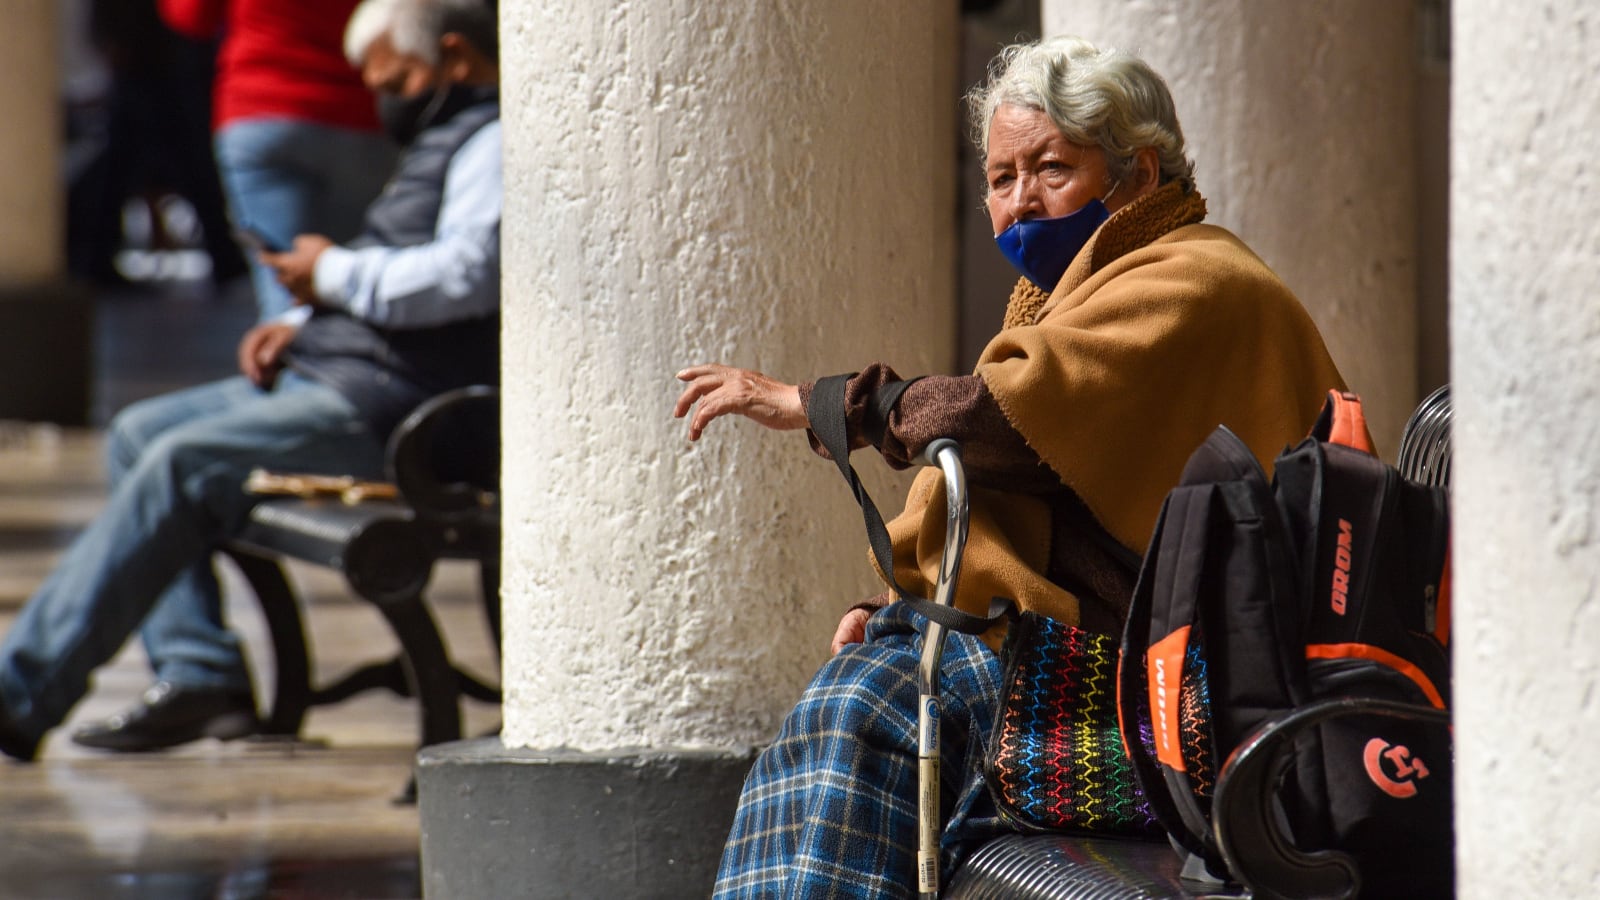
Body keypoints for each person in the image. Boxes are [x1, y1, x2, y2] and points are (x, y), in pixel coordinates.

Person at [673, 35, 1350, 898]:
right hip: (1076, 647)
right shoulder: (1080, 292)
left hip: (1164, 686)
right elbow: (1031, 498)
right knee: (859, 695)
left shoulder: (1199, 281)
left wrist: (828, 403)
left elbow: (999, 424)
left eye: (1051, 169)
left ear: (1137, 176)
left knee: (868, 708)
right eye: (1000, 179)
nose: (1021, 200)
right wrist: (904, 601)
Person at [0, 0, 500, 762]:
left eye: (397, 79)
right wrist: (301, 323)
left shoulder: (491, 143)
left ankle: (19, 693)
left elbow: (468, 276)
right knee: (141, 432)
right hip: (353, 371)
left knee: (188, 463)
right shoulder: (442, 138)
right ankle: (202, 675)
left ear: (458, 59)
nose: (383, 100)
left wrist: (328, 273)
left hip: (398, 404)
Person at [157, 0, 400, 319]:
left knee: (286, 297)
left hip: (264, 109)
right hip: (358, 114)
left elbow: (190, 16)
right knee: (354, 285)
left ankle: (300, 364)